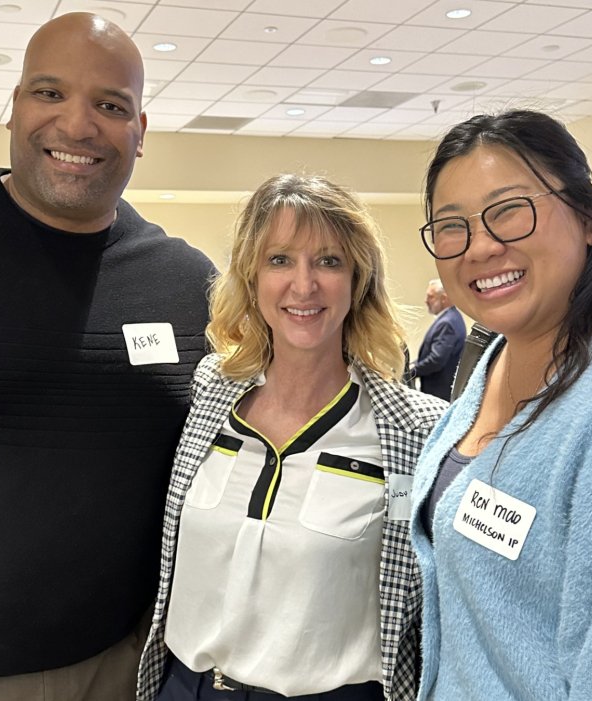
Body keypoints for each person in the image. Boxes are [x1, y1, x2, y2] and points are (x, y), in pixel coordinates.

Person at [0, 13, 215, 701]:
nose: (77, 126)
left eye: (110, 105)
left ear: (139, 131)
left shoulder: (188, 284)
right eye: (49, 93)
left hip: (119, 669)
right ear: (13, 108)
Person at [136, 174, 447, 701]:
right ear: (251, 277)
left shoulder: (413, 429)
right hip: (187, 687)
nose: (303, 286)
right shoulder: (211, 394)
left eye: (329, 261)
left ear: (358, 279)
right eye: (279, 260)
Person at [410, 109, 592, 700]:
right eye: (451, 226)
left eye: (509, 210)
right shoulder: (496, 356)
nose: (481, 246)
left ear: (587, 218)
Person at [410, 279, 466, 400]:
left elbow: (436, 360)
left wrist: (411, 372)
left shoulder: (447, 323)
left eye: (430, 297)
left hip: (439, 393)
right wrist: (413, 364)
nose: (426, 301)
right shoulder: (451, 318)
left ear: (444, 298)